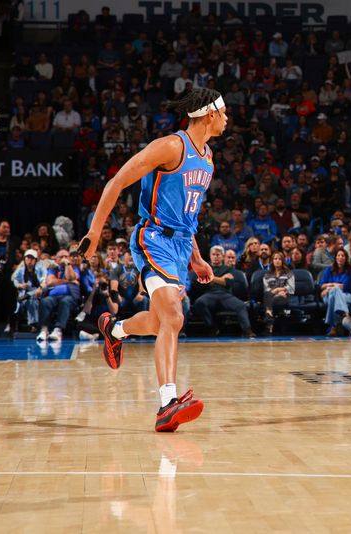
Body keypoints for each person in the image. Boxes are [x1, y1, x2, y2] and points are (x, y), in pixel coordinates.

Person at [78, 88, 225, 432]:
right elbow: (117, 181)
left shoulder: (208, 158)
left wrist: (197, 258)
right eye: (224, 112)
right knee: (174, 317)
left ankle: (115, 329)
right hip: (153, 239)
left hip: (180, 247)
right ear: (209, 115)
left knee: (162, 324)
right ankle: (167, 405)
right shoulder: (171, 147)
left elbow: (189, 215)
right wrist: (96, 231)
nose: (228, 118)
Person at [192, 246, 253, 338]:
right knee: (199, 303)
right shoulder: (204, 268)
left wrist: (211, 278)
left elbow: (228, 282)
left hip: (226, 295)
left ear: (223, 256)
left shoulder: (228, 268)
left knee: (241, 305)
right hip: (209, 294)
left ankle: (247, 330)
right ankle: (212, 328)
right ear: (210, 255)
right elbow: (200, 284)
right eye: (213, 254)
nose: (216, 257)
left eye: (218, 255)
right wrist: (221, 279)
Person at [262, 251, 295, 335]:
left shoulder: (289, 273)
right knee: (267, 294)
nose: (277, 261)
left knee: (268, 297)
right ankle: (269, 322)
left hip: (284, 297)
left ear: (283, 261)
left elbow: (291, 288)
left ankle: (268, 318)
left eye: (279, 259)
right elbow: (266, 289)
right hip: (271, 296)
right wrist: (277, 291)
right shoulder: (267, 274)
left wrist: (277, 290)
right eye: (275, 259)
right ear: (272, 261)